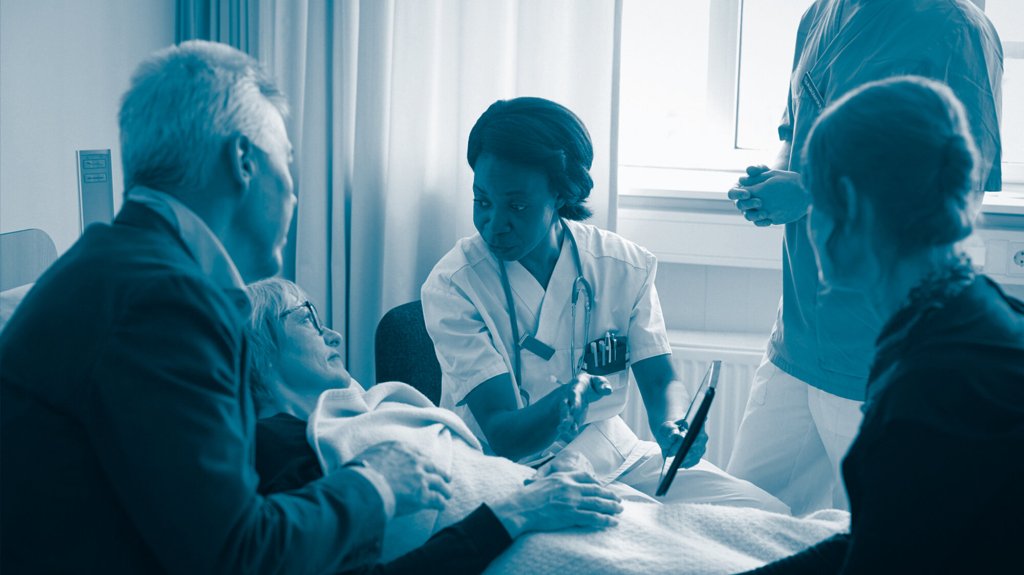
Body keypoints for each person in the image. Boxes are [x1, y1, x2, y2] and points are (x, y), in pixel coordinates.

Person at [0, 40, 449, 574]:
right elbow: (238, 555)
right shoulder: (167, 300)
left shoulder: (109, 268)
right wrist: (377, 481)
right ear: (243, 162)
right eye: (287, 163)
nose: (295, 194)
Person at [421, 96, 787, 511]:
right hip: (506, 475)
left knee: (762, 510)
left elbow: (660, 379)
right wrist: (566, 399)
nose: (494, 223)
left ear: (561, 195)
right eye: (482, 201)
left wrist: (673, 424)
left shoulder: (622, 266)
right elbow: (504, 433)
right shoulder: (455, 285)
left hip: (609, 453)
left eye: (517, 206)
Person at [725, 0, 1003, 514]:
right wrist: (774, 186)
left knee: (875, 535)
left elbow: (958, 188)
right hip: (799, 337)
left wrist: (809, 192)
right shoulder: (819, 15)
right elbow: (798, 138)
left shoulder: (951, 28)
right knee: (735, 519)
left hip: (880, 351)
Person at [741, 76, 1024, 573]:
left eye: (815, 204)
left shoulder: (924, 393)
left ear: (846, 205)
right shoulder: (965, 312)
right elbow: (877, 536)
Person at [244, 277, 624, 574]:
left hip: (547, 507)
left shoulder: (364, 415)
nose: (335, 335)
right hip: (519, 537)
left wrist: (554, 470)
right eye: (307, 318)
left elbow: (471, 470)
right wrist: (521, 509)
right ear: (256, 346)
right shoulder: (274, 445)